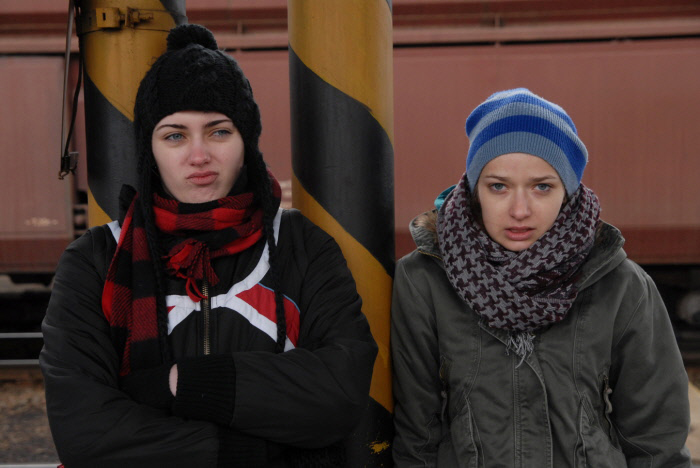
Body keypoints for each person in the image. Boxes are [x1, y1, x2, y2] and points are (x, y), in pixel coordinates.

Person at [40, 23, 377, 468]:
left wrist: (179, 383)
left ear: (246, 141)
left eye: (219, 132)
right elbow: (86, 434)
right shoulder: (95, 260)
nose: (199, 155)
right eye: (174, 135)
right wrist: (241, 451)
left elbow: (339, 394)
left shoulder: (301, 245)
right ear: (149, 149)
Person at [391, 88, 691, 467]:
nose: (520, 210)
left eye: (542, 187)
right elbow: (415, 439)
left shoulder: (620, 284)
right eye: (498, 186)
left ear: (567, 191)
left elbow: (656, 442)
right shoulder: (423, 281)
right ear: (474, 189)